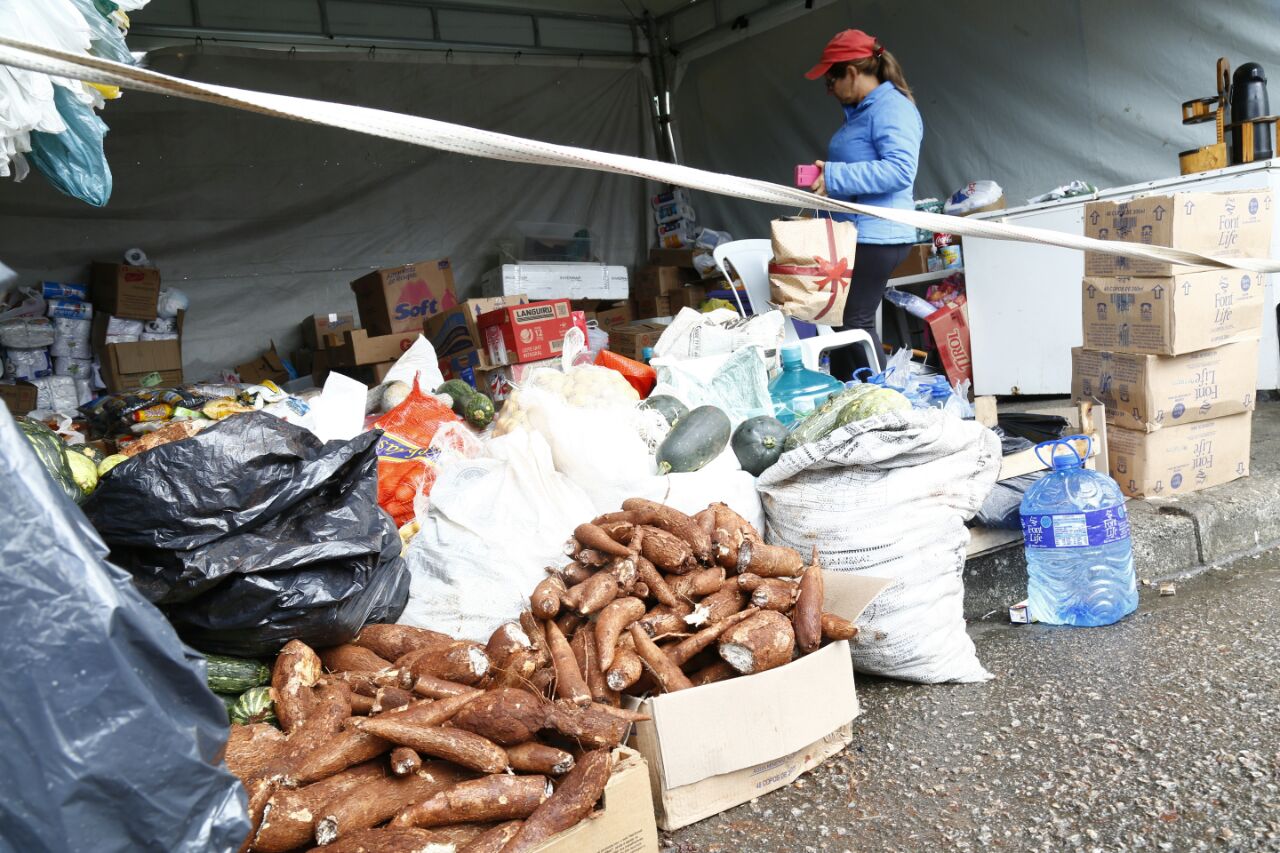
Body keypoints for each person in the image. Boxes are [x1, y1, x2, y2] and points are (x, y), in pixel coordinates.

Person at [804, 29, 922, 380]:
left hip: (879, 236)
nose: (828, 89)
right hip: (860, 233)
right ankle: (845, 395)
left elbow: (900, 171)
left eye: (830, 79)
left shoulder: (893, 108)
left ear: (852, 73)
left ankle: (880, 406)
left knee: (853, 322)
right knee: (844, 322)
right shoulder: (862, 112)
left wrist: (836, 177)